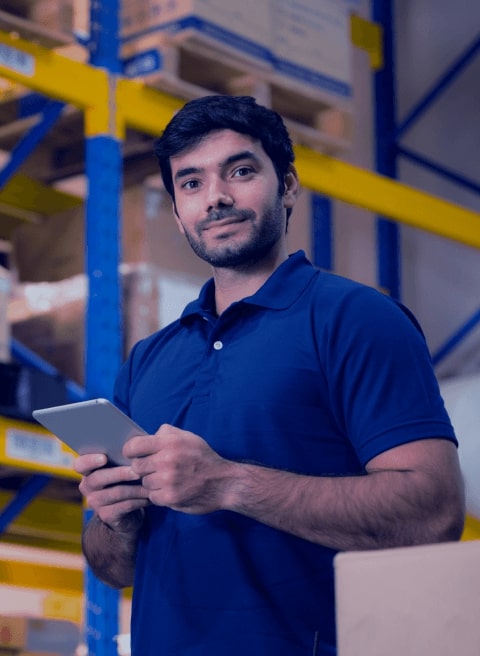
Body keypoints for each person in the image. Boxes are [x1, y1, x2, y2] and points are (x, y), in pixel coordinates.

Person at [74, 95, 465, 656]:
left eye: (240, 170)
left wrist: (228, 482)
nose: (217, 197)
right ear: (179, 209)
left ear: (287, 186)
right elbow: (115, 568)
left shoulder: (356, 319)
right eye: (191, 183)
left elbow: (434, 513)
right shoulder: (148, 359)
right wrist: (118, 523)